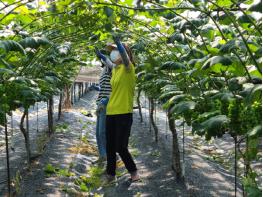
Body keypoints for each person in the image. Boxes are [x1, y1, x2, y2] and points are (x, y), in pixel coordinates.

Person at [102, 35, 140, 183]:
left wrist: (120, 44)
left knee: (121, 146)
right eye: (112, 51)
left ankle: (134, 172)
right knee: (110, 145)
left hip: (124, 112)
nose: (113, 53)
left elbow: (125, 58)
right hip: (111, 111)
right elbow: (109, 63)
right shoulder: (116, 70)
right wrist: (101, 56)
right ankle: (110, 174)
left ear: (124, 53)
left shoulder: (128, 68)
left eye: (116, 50)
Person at [94, 49, 113, 164]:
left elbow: (110, 63)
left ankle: (107, 155)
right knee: (98, 132)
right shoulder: (104, 71)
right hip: (100, 104)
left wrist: (103, 56)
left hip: (106, 103)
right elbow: (104, 87)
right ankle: (102, 155)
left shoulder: (111, 69)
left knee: (102, 132)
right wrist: (97, 88)